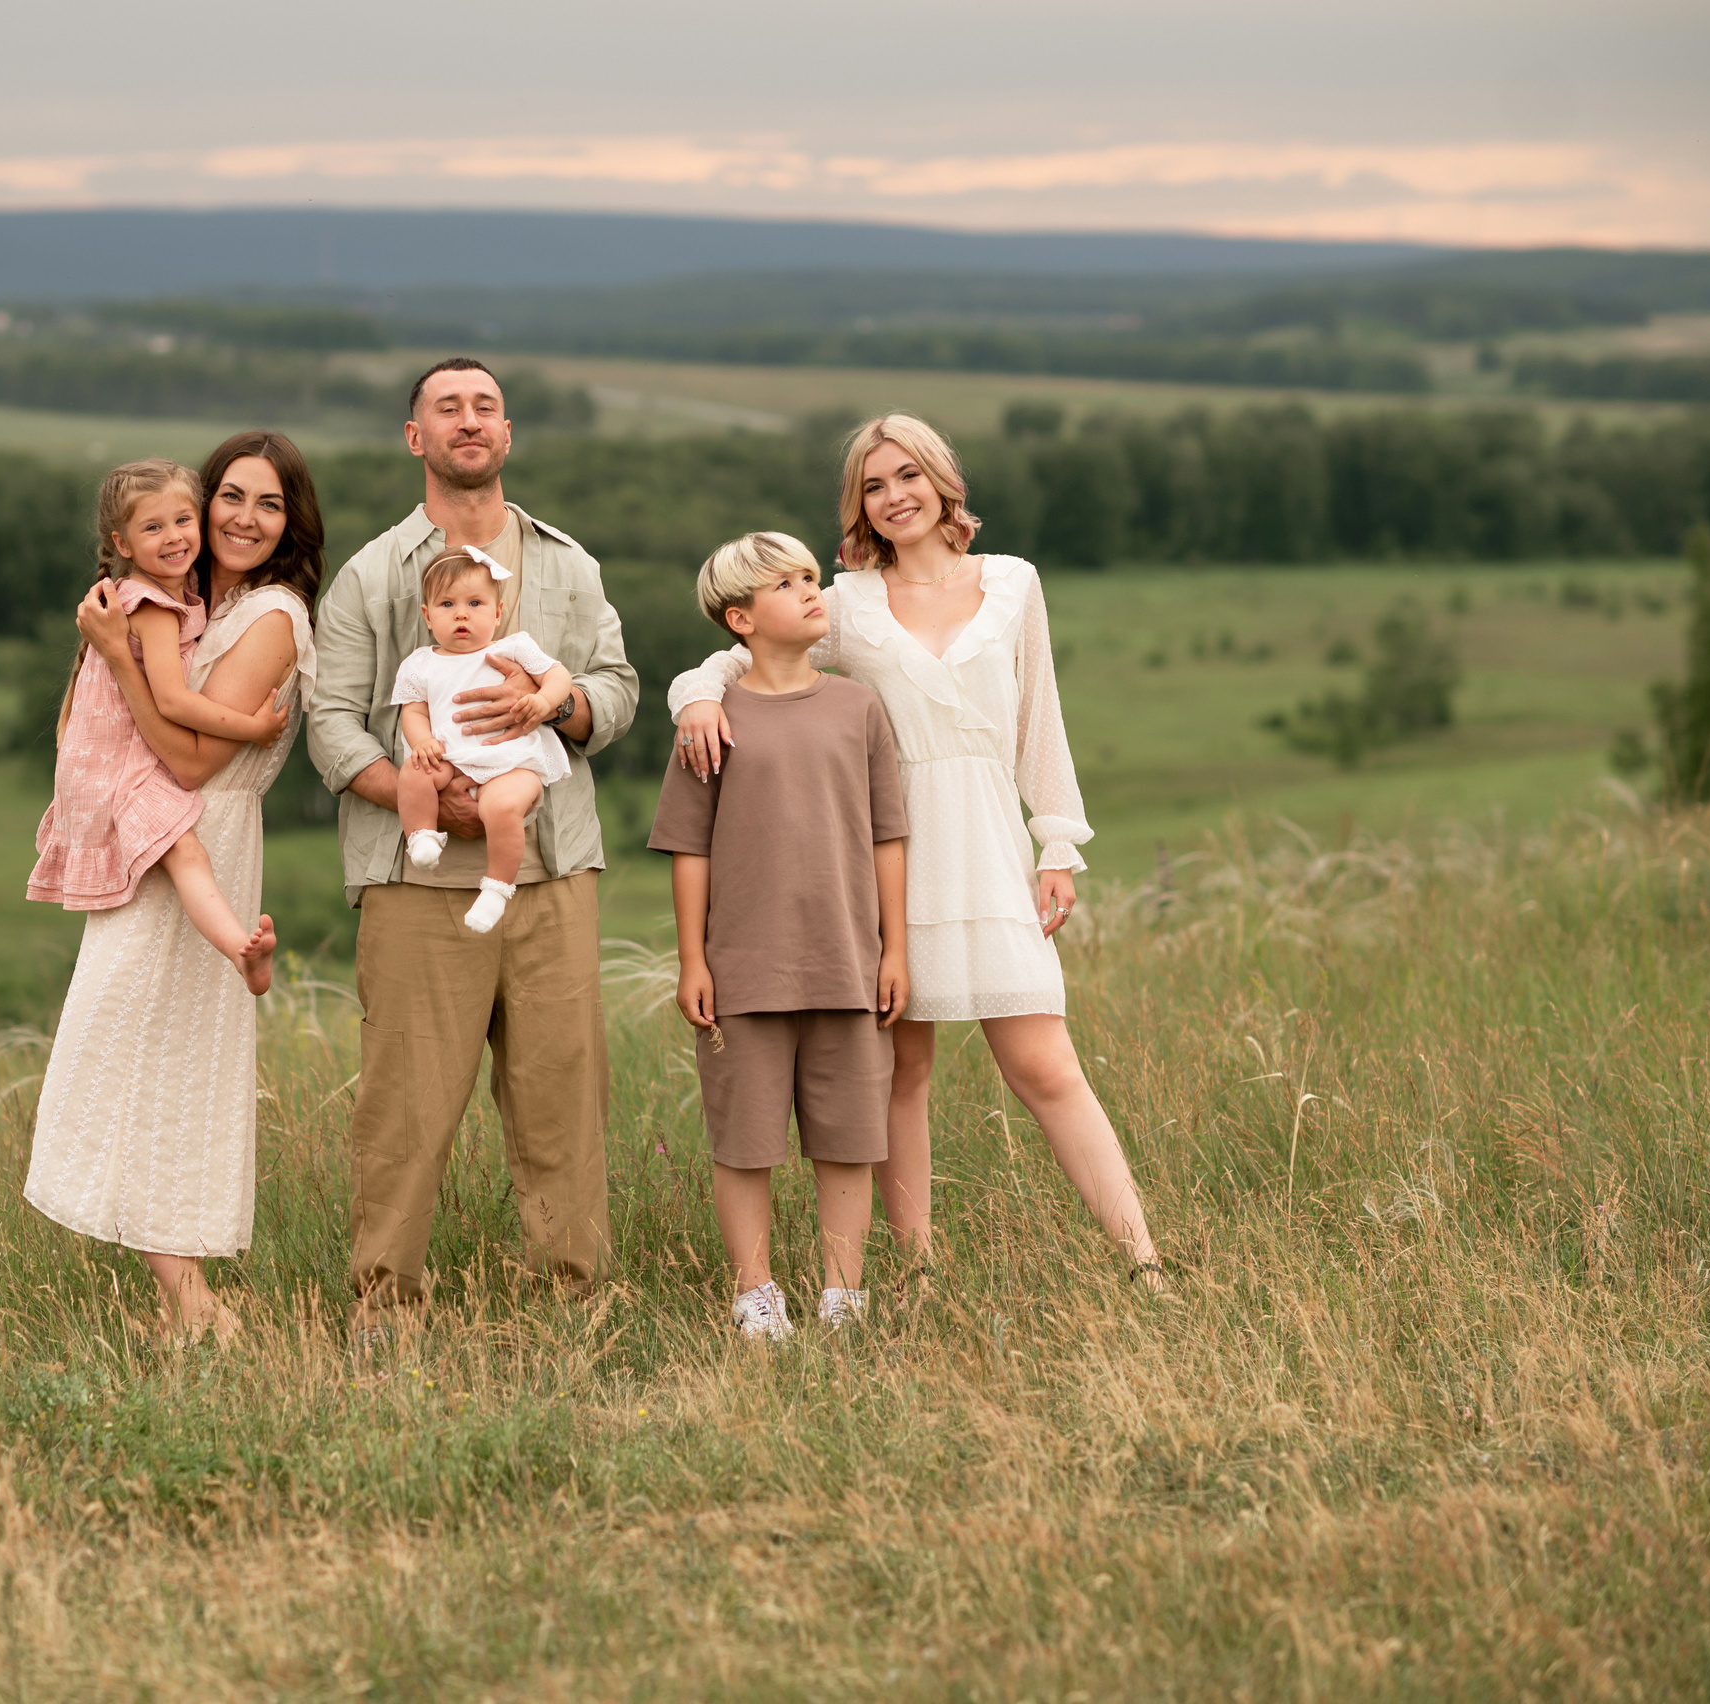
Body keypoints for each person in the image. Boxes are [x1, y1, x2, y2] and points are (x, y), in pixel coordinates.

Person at [668, 414, 1166, 1288]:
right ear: (857, 503)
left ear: (943, 481)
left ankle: (1144, 1259)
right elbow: (742, 654)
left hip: (989, 840)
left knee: (1046, 1064)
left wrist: (1057, 842)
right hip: (884, 854)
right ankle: (913, 1271)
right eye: (872, 484)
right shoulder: (849, 604)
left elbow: (1039, 718)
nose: (893, 496)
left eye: (907, 476)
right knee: (902, 1069)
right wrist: (695, 699)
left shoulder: (1012, 583)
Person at [308, 357, 639, 1327]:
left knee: (560, 1094)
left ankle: (567, 1301)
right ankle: (385, 1310)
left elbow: (616, 688)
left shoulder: (569, 566)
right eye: (445, 408)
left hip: (552, 868)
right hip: (416, 881)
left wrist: (562, 700)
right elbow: (330, 722)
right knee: (406, 1104)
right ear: (415, 438)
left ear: (506, 433)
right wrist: (419, 797)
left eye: (485, 407)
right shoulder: (374, 574)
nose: (468, 421)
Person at [27, 434, 321, 1340]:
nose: (240, 518)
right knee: (123, 1058)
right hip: (150, 835)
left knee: (163, 1066)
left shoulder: (270, 614)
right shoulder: (186, 601)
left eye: (267, 504)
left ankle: (198, 1306)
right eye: (228, 496)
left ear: (291, 523)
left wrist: (116, 656)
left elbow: (192, 760)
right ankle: (185, 1302)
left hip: (200, 830)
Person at [650, 532, 909, 1339]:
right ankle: (756, 1298)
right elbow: (689, 847)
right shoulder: (709, 718)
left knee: (848, 1136)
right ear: (739, 618)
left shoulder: (857, 706)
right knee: (746, 1140)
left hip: (848, 961)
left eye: (809, 576)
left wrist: (894, 948)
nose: (810, 591)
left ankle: (844, 1298)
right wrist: (693, 960)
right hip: (744, 968)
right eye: (785, 584)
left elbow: (887, 835)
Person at [28, 460, 282, 995]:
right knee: (187, 854)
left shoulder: (156, 593)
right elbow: (171, 700)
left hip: (104, 764)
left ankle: (239, 951)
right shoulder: (153, 607)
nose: (174, 538)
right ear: (122, 543)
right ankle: (241, 950)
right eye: (152, 528)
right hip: (121, 769)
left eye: (183, 520)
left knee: (184, 856)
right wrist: (250, 727)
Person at [391, 547, 576, 932]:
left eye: (475, 603)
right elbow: (413, 711)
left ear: (497, 613)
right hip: (451, 755)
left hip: (511, 759)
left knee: (503, 807)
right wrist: (422, 740)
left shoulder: (512, 648)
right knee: (414, 772)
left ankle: (496, 888)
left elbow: (560, 677)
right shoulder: (421, 663)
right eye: (447, 604)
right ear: (427, 616)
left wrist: (543, 701)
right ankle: (422, 835)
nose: (461, 613)